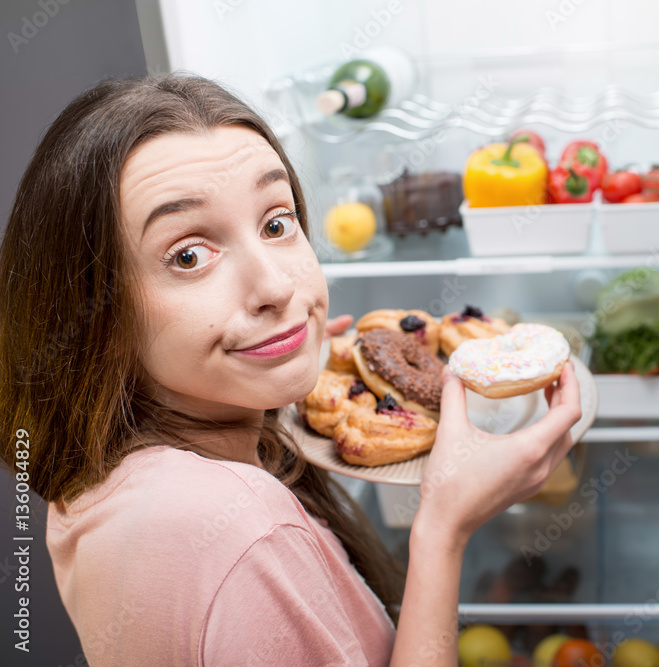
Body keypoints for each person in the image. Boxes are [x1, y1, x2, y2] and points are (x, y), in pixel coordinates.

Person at [0, 73, 582, 666]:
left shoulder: (106, 475)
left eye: (276, 223)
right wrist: (443, 529)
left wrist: (272, 388)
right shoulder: (237, 528)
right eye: (189, 256)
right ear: (92, 313)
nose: (277, 286)